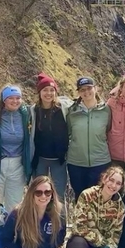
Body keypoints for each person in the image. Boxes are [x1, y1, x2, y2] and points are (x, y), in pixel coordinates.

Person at [66, 76, 112, 200]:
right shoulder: (72, 112)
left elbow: (109, 130)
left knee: (99, 198)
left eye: (89, 88)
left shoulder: (106, 110)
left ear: (96, 89)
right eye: (82, 90)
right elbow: (69, 132)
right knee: (80, 198)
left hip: (101, 162)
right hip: (76, 163)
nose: (86, 92)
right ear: (79, 92)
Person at [30, 73, 73, 203]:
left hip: (59, 160)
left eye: (51, 90)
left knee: (58, 195)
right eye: (45, 90)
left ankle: (59, 222)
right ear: (39, 92)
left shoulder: (64, 109)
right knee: (39, 193)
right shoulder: (33, 110)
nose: (48, 93)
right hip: (40, 159)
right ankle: (39, 221)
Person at [0, 84, 33, 212]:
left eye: (18, 98)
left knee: (14, 205)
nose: (15, 101)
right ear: (4, 100)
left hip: (18, 164)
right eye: (11, 98)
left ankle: (12, 230)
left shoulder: (26, 115)